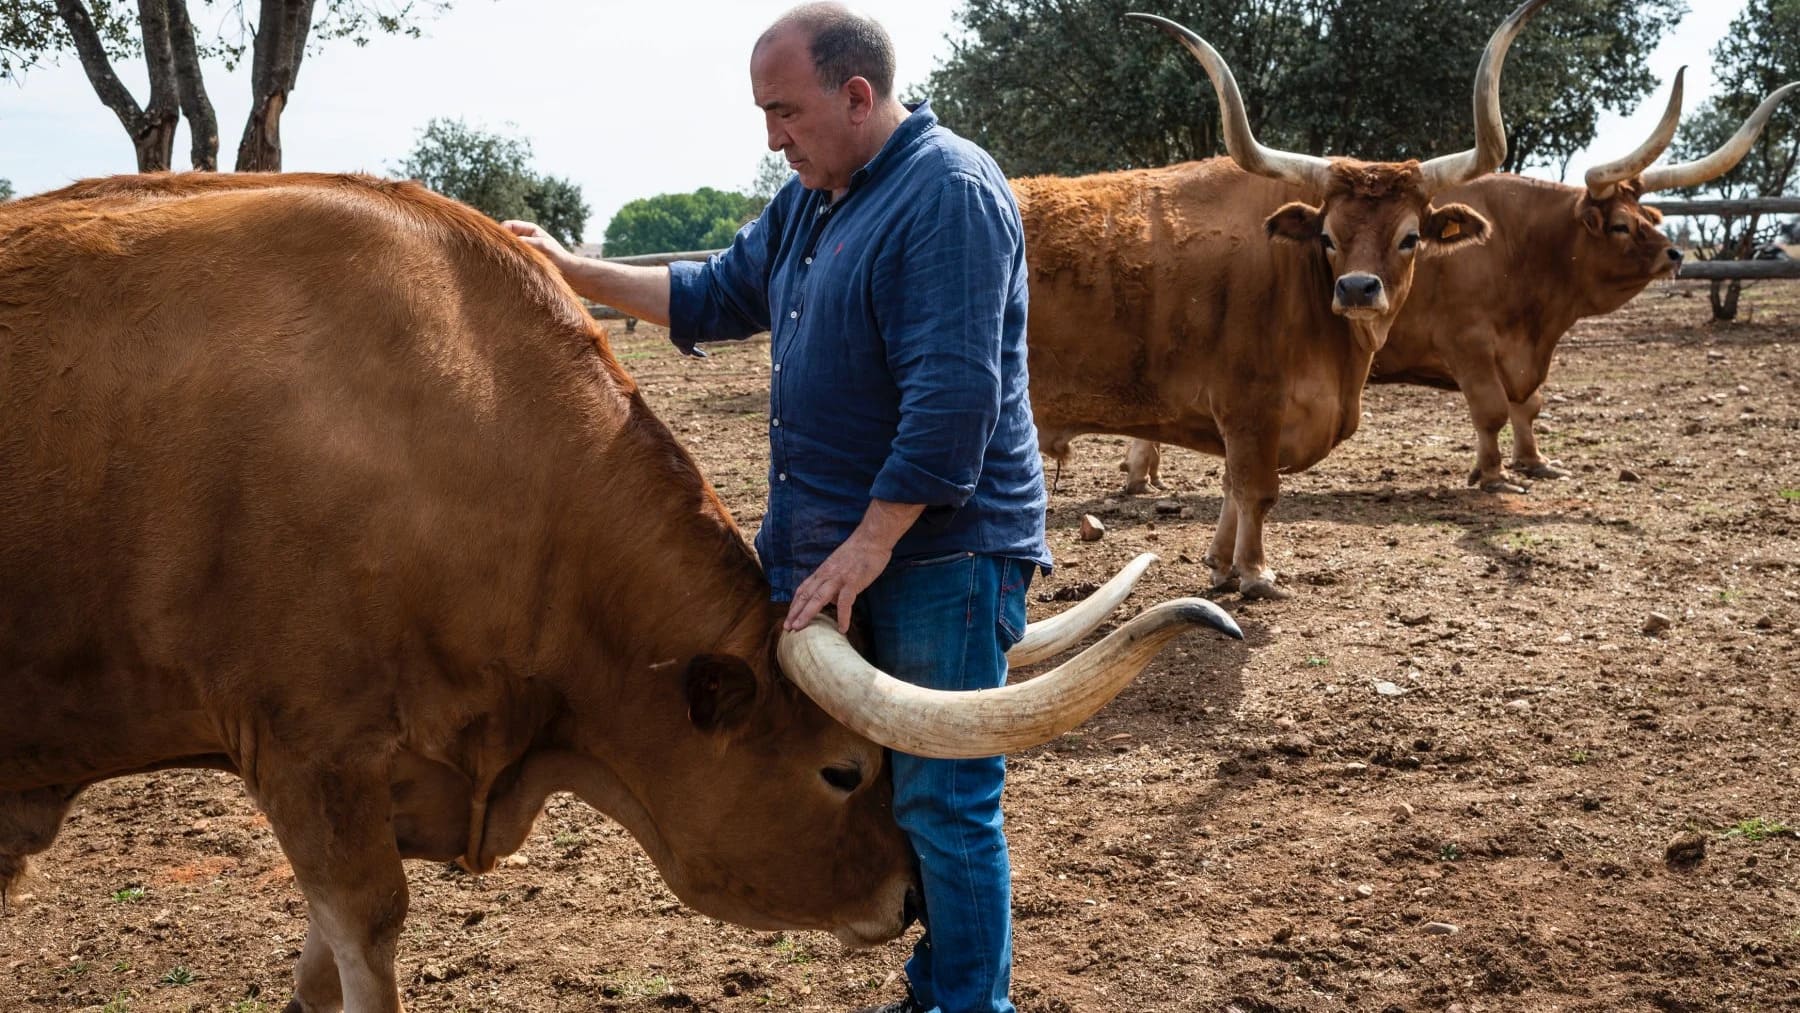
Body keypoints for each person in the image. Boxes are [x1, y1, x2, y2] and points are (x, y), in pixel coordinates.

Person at [504, 5, 1048, 1011]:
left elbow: (953, 401)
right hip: (839, 549)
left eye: (785, 111)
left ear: (857, 95)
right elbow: (714, 292)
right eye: (764, 113)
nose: (771, 137)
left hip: (939, 553)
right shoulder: (812, 196)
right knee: (885, 781)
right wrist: (571, 272)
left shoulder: (950, 194)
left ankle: (970, 1003)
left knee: (946, 793)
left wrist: (871, 542)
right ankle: (941, 986)